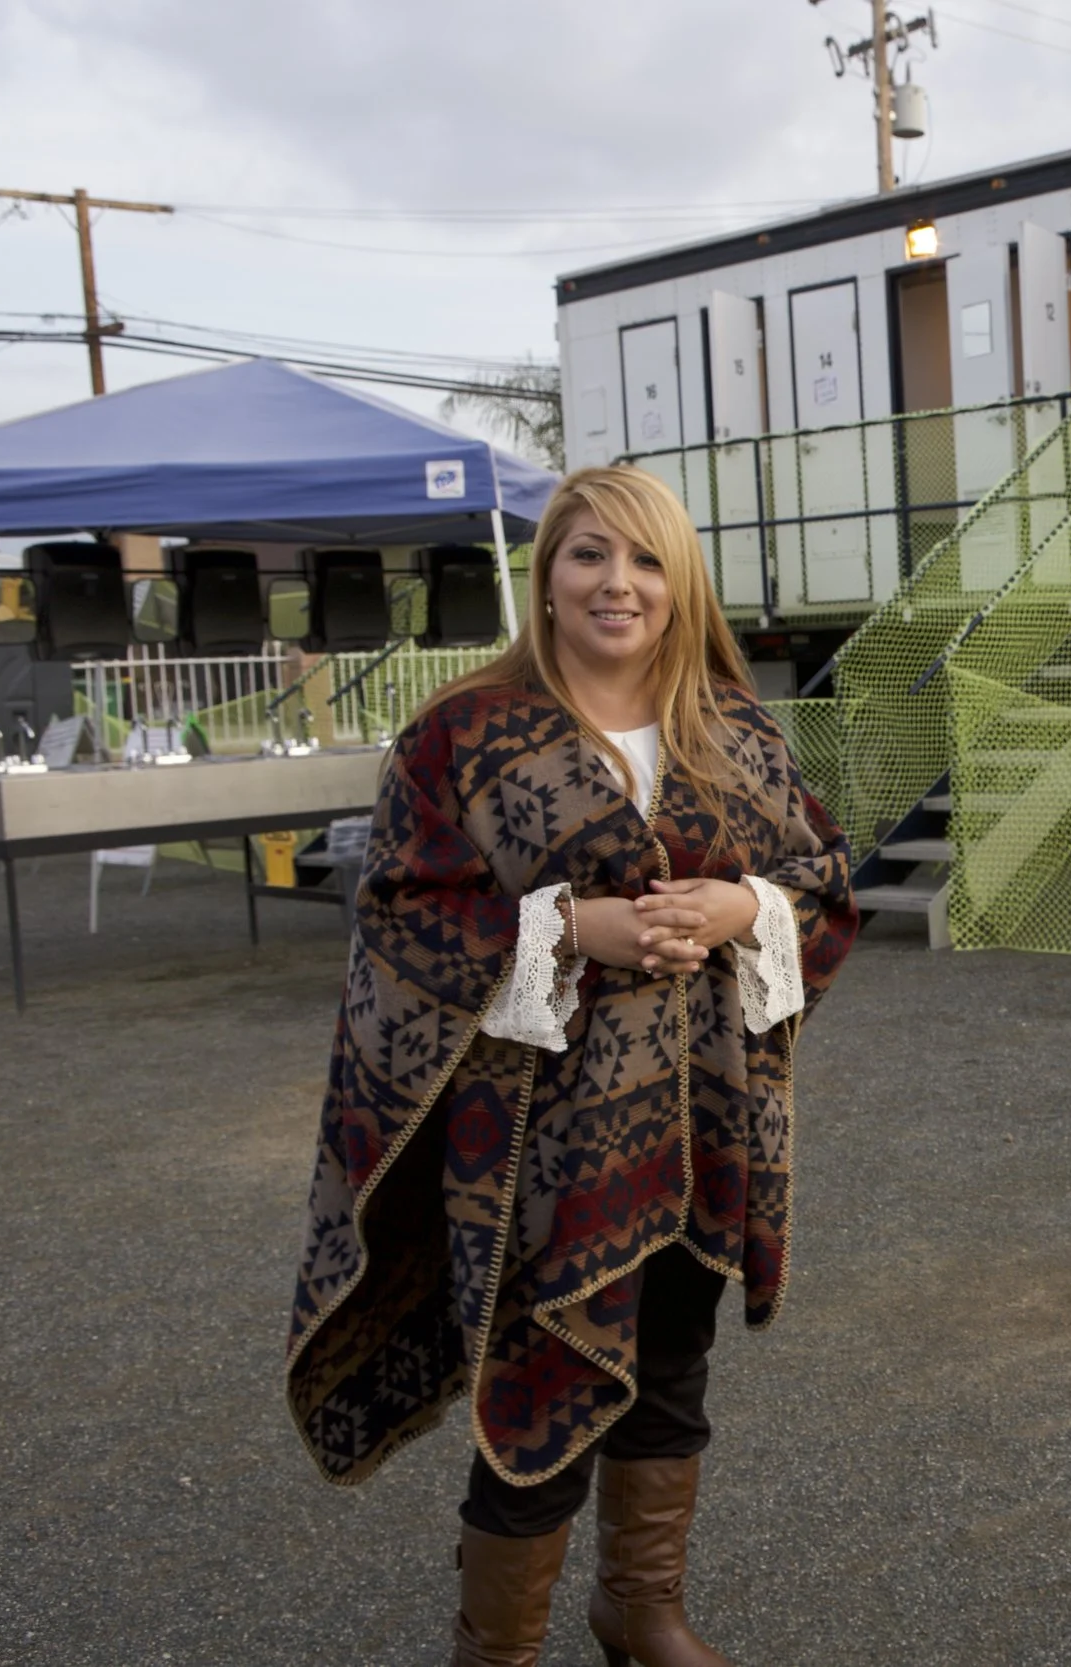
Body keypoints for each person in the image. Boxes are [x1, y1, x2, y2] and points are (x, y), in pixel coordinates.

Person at [285, 465, 858, 1666]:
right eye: (590, 554)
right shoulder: (465, 731)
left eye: (647, 559)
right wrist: (563, 929)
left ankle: (641, 1610)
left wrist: (739, 903)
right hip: (533, 1134)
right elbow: (400, 916)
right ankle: (496, 1649)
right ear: (544, 578)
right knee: (539, 1383)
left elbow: (825, 883)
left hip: (707, 1116)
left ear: (680, 581)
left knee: (673, 1367)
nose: (620, 583)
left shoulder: (731, 724)